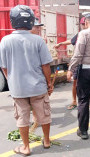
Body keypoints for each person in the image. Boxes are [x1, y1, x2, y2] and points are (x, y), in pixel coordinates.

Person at [0, 5, 53, 155]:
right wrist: (48, 83)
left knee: (22, 117)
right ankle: (47, 141)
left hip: (18, 88)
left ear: (13, 21)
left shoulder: (5, 40)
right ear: (30, 20)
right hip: (38, 87)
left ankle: (26, 147)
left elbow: (4, 67)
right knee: (44, 114)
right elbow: (45, 65)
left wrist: (12, 80)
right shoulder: (38, 40)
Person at [54, 17, 87, 110]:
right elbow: (71, 41)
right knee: (75, 83)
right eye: (83, 24)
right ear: (81, 25)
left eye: (85, 24)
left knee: (87, 84)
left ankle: (86, 101)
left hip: (89, 63)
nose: (84, 26)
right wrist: (61, 44)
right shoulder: (79, 35)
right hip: (78, 63)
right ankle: (74, 101)